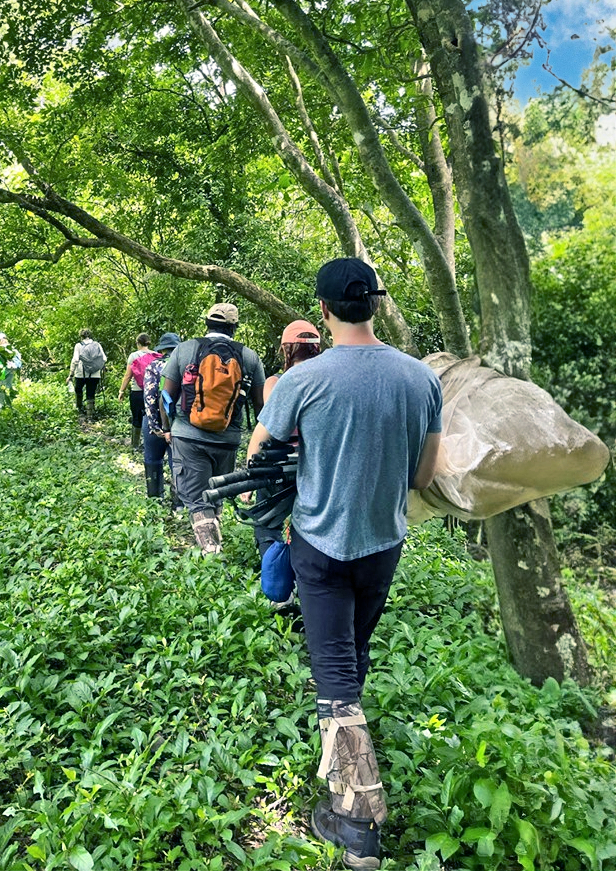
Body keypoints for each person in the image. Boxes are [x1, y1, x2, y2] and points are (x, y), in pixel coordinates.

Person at [246, 258, 441, 870]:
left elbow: (258, 455)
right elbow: (425, 476)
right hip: (384, 543)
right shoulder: (420, 379)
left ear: (324, 310)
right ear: (376, 305)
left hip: (321, 544)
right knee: (352, 650)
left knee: (331, 670)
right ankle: (344, 738)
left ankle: (355, 821)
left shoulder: (305, 380)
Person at [162, 302, 265, 555]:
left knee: (198, 500)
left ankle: (213, 556)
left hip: (188, 436)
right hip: (227, 439)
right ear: (234, 327)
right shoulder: (249, 356)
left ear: (206, 322)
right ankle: (215, 544)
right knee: (215, 493)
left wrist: (168, 428)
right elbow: (262, 405)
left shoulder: (185, 349)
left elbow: (165, 396)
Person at [256, 318, 323, 607]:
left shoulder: (276, 382)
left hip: (278, 465)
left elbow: (269, 428)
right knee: (307, 527)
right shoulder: (328, 382)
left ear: (287, 350)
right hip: (319, 469)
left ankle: (280, 592)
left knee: (267, 524)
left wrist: (252, 471)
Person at [141, 332, 181, 504]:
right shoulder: (185, 366)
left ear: (162, 349)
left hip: (156, 422)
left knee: (153, 459)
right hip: (179, 424)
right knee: (177, 463)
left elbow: (149, 398)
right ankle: (178, 504)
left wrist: (155, 427)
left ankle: (155, 500)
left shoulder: (154, 366)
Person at [117, 333, 158, 450]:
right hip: (153, 392)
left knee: (137, 417)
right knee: (152, 416)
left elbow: (128, 376)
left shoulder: (134, 356)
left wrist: (121, 391)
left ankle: (135, 445)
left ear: (138, 343)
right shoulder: (155, 355)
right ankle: (150, 444)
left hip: (137, 392)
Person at [67, 329, 107, 420]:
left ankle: (80, 410)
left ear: (81, 336)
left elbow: (75, 360)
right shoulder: (97, 344)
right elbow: (104, 358)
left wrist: (71, 374)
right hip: (95, 374)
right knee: (91, 393)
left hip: (81, 373)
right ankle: (90, 415)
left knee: (78, 390)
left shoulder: (78, 346)